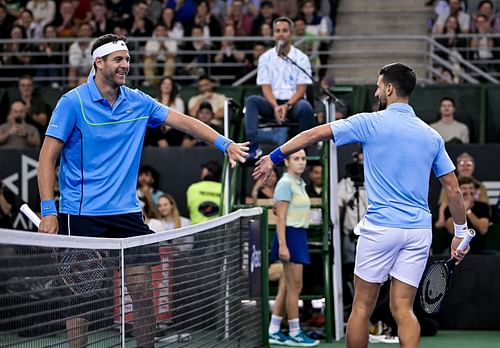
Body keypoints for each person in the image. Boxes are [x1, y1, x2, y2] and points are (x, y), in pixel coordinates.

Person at [36, 33, 248, 348]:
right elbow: (46, 158)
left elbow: (185, 122)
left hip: (127, 213)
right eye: (118, 60)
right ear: (99, 62)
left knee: (143, 292)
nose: (126, 65)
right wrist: (49, 211)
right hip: (80, 214)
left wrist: (225, 143)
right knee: (79, 301)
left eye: (128, 59)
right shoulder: (72, 102)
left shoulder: (138, 101)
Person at [253, 62, 470, 348]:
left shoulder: (369, 121)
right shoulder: (431, 135)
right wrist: (461, 232)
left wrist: (274, 157)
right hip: (418, 232)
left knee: (361, 307)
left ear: (390, 89)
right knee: (403, 309)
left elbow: (313, 134)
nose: (378, 90)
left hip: (380, 229)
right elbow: (453, 188)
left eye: (380, 85)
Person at [267, 149, 319, 347]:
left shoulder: (299, 183)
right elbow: (280, 217)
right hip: (289, 236)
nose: (301, 162)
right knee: (295, 287)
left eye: (304, 158)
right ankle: (295, 332)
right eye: (296, 158)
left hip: (298, 235)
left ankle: (273, 330)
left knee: (286, 286)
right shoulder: (285, 183)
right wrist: (283, 245)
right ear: (287, 162)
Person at [244, 16, 315, 160]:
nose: (281, 34)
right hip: (272, 104)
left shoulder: (301, 58)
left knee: (306, 107)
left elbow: (302, 89)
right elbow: (266, 87)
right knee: (251, 101)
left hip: (293, 104)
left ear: (291, 33)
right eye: (277, 31)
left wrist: (287, 106)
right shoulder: (265, 58)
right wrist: (276, 107)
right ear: (273, 34)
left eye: (284, 31)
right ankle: (253, 146)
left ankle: (302, 150)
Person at [435, 151, 488, 228]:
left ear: (473, 167)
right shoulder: (449, 185)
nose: (465, 167)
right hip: (454, 220)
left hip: (476, 220)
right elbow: (443, 205)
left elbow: (485, 208)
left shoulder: (480, 186)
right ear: (457, 166)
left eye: (469, 165)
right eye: (462, 164)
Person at [445, 176, 490, 253]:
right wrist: (463, 208)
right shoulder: (450, 207)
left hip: (479, 250)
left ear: (475, 190)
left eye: (471, 188)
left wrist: (468, 211)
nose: (468, 191)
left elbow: (483, 229)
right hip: (455, 249)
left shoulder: (483, 206)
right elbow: (450, 229)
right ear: (458, 190)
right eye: (464, 188)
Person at [186, 160, 223, 224]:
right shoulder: (224, 189)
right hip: (219, 229)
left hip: (196, 229)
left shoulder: (193, 188)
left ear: (206, 171)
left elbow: (190, 207)